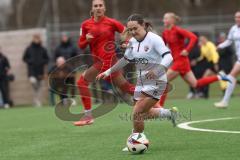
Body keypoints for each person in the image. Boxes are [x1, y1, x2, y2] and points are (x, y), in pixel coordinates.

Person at [96, 14, 178, 152]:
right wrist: (108, 72)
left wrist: (159, 69)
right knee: (144, 113)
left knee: (137, 113)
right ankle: (169, 114)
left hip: (157, 82)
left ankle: (136, 141)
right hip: (141, 82)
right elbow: (125, 60)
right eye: (130, 30)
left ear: (144, 25)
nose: (133, 32)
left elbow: (168, 56)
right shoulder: (133, 42)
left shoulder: (154, 39)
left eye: (136, 28)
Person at [74, 0, 136, 126]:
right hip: (99, 62)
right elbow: (80, 45)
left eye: (100, 5)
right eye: (96, 6)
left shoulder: (111, 22)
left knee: (81, 82)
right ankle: (153, 101)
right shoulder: (85, 25)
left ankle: (88, 116)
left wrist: (126, 42)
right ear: (92, 8)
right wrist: (86, 40)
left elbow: (127, 33)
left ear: (104, 8)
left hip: (107, 62)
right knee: (126, 88)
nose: (98, 8)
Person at [159, 12, 231, 106]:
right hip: (178, 62)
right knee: (195, 84)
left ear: (172, 20)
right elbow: (163, 46)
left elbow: (193, 37)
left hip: (181, 61)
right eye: (164, 18)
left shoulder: (177, 30)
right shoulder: (165, 33)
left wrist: (187, 50)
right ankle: (219, 77)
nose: (163, 20)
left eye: (166, 18)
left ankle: (160, 106)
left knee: (163, 81)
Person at [214, 11, 240, 108]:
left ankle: (225, 101)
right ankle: (225, 101)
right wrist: (220, 46)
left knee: (231, 77)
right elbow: (229, 41)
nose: (237, 19)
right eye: (236, 17)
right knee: (231, 77)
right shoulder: (233, 28)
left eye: (239, 17)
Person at [23, 34, 49, 107]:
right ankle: (36, 100)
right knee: (34, 83)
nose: (36, 40)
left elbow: (47, 59)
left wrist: (42, 61)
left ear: (40, 39)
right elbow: (24, 58)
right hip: (31, 71)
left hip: (40, 71)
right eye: (35, 38)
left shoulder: (43, 49)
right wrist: (30, 61)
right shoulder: (29, 48)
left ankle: (36, 101)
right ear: (33, 39)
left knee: (39, 87)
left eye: (38, 38)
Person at [54, 33, 78, 104]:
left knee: (72, 84)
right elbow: (55, 57)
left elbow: (77, 57)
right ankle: (64, 99)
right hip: (61, 70)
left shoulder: (73, 47)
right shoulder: (58, 48)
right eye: (63, 37)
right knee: (62, 85)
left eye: (65, 37)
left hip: (71, 69)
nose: (64, 38)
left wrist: (72, 64)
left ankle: (73, 99)